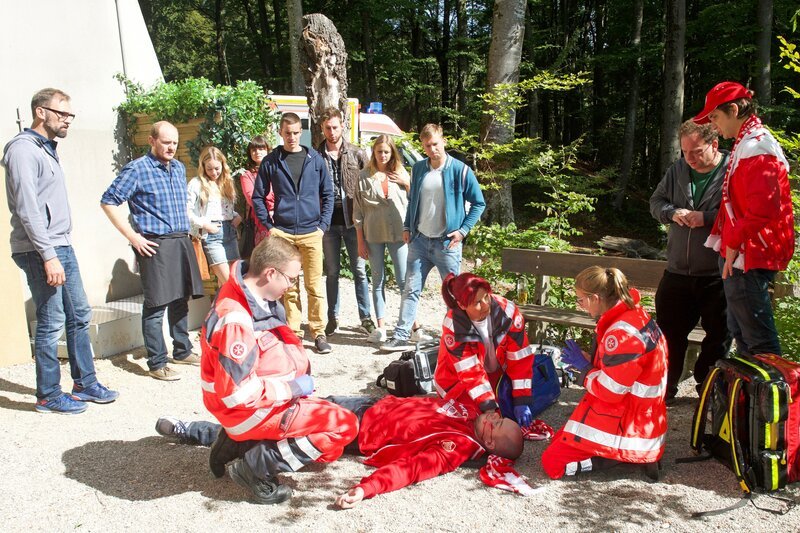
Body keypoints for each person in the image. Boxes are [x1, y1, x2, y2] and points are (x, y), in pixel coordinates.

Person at [200, 235, 358, 504]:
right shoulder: (236, 319)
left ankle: (239, 442)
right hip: (247, 410)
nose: (292, 285)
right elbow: (236, 394)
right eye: (291, 278)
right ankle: (256, 465)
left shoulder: (253, 297)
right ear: (270, 273)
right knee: (344, 426)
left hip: (255, 407)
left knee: (330, 451)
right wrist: (292, 388)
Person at [153, 394, 523, 509]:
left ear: (489, 444)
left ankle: (195, 431)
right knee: (276, 410)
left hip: (352, 430)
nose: (494, 416)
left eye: (498, 424)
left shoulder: (455, 447)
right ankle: (222, 433)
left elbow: (412, 469)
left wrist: (367, 488)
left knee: (276, 429)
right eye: (499, 416)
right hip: (364, 403)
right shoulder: (473, 415)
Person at [3, 87, 118, 413]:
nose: (68, 120)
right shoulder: (23, 150)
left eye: (71, 115)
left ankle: (84, 384)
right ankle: (49, 396)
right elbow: (28, 210)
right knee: (51, 320)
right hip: (41, 249)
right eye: (62, 113)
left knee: (79, 315)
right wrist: (48, 255)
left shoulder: (46, 149)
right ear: (41, 112)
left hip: (60, 245)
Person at [693, 81, 794, 357]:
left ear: (734, 109)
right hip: (742, 251)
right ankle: (751, 398)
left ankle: (772, 399)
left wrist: (733, 243)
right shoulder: (747, 143)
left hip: (750, 253)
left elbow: (764, 209)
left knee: (757, 339)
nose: (713, 125)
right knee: (741, 333)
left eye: (715, 116)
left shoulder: (758, 146)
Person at [101, 121, 205, 381]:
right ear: (152, 140)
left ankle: (182, 350)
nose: (171, 147)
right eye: (166, 142)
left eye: (174, 143)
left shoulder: (178, 168)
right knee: (156, 304)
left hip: (181, 240)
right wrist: (133, 237)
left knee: (181, 297)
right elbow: (108, 201)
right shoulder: (137, 169)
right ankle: (157, 362)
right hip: (155, 243)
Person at [541, 266, 667, 480]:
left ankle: (616, 459)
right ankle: (628, 455)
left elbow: (611, 391)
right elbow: (627, 371)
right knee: (559, 438)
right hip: (641, 414)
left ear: (595, 298)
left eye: (581, 300)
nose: (580, 306)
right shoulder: (633, 314)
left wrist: (584, 370)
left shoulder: (621, 333)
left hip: (626, 420)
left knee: (552, 463)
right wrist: (590, 362)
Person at [381, 123, 486, 352]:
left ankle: (461, 336)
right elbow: (413, 201)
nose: (432, 149)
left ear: (443, 141)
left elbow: (479, 203)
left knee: (455, 294)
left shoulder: (460, 170)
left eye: (436, 144)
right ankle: (401, 335)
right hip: (420, 240)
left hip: (446, 243)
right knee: (410, 288)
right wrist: (408, 226)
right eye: (427, 146)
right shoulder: (419, 169)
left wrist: (463, 230)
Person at [649, 120, 732, 404]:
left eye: (696, 151)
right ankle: (666, 388)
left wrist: (706, 218)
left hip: (717, 272)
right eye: (685, 152)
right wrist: (672, 213)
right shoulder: (678, 170)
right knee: (669, 334)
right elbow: (656, 202)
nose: (690, 158)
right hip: (677, 271)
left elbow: (742, 212)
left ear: (715, 145)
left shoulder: (733, 170)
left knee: (718, 337)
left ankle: (706, 388)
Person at [252, 113, 334, 354]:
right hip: (283, 233)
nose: (292, 137)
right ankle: (294, 333)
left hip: (311, 232)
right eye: (287, 133)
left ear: (301, 132)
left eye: (296, 132)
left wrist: (322, 226)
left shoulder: (315, 159)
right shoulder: (271, 160)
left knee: (314, 286)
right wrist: (269, 226)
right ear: (281, 132)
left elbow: (328, 194)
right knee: (288, 287)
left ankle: (318, 333)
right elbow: (258, 197)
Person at [433, 273, 536, 428]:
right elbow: (470, 372)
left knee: (500, 418)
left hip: (493, 376)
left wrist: (521, 399)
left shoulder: (507, 312)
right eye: (477, 303)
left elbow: (520, 358)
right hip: (457, 383)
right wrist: (488, 407)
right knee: (473, 423)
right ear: (461, 305)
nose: (486, 305)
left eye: (487, 297)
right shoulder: (453, 325)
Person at [317, 108, 376, 338]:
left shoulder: (357, 153)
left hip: (354, 223)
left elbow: (370, 185)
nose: (331, 132)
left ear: (343, 126)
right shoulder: (316, 155)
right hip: (328, 224)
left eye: (335, 127)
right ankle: (333, 317)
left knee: (359, 271)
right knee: (331, 272)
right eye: (327, 128)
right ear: (322, 128)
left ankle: (365, 317)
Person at [353, 135, 412, 344]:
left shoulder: (401, 172)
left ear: (392, 152)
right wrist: (360, 241)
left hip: (399, 233)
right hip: (373, 234)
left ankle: (410, 325)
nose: (383, 155)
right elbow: (358, 212)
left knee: (405, 280)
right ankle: (381, 327)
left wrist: (407, 183)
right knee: (378, 280)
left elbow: (415, 201)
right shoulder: (363, 176)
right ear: (374, 152)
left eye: (387, 151)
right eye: (379, 151)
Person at [187, 146, 242, 286]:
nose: (214, 172)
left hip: (230, 232)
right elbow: (186, 211)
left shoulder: (226, 182)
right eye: (209, 168)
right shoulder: (196, 184)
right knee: (231, 283)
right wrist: (204, 224)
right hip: (211, 235)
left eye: (217, 168)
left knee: (229, 282)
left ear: (223, 165)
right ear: (203, 166)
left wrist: (237, 217)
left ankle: (221, 308)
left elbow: (224, 209)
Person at [239, 135, 273, 251]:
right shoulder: (247, 175)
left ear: (268, 150)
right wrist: (271, 205)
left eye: (261, 148)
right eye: (254, 149)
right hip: (261, 221)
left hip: (281, 219)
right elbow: (252, 198)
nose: (257, 152)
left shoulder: (277, 170)